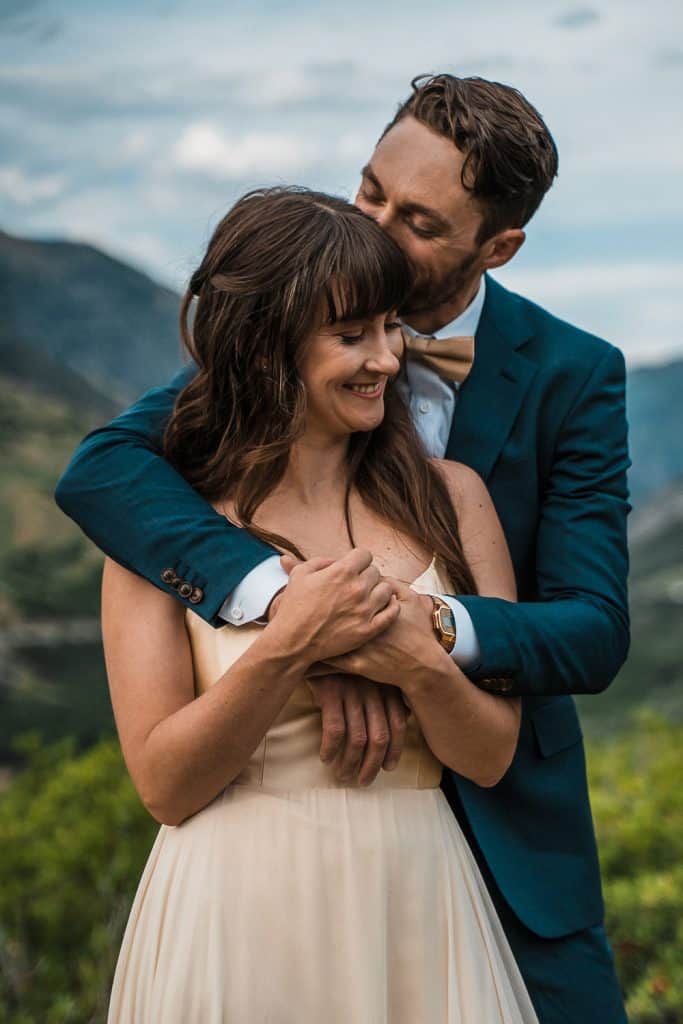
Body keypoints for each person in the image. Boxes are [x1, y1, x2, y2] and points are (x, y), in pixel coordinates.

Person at [56, 75, 630, 1022]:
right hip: (270, 878)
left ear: (497, 247)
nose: (373, 223)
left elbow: (592, 628)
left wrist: (420, 634)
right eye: (370, 191)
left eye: (417, 220)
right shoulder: (290, 330)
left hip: (506, 858)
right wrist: (291, 610)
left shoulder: (573, 375)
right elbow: (102, 472)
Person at [99, 186, 537, 1022]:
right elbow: (163, 785)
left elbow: (488, 755)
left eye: (389, 328)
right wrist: (289, 647)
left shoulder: (453, 500)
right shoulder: (165, 524)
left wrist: (410, 661)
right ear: (266, 349)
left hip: (417, 899)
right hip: (235, 911)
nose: (385, 359)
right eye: (350, 335)